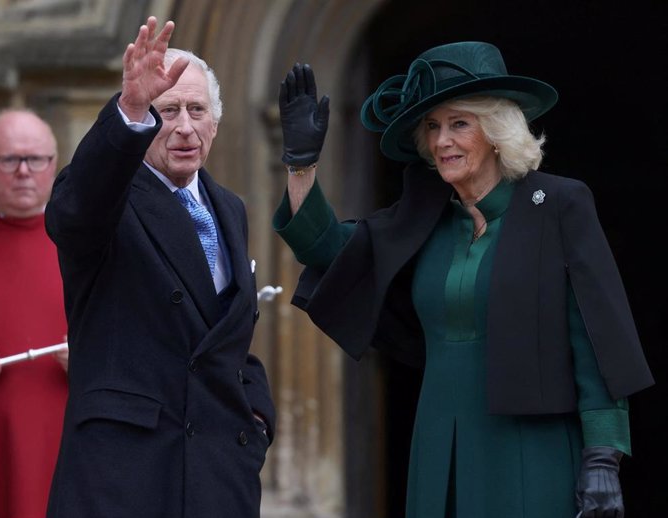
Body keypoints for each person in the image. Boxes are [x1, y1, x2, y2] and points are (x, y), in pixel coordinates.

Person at [274, 42, 654, 518]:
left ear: (496, 131)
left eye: (459, 124)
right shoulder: (424, 216)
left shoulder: (557, 204)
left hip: (529, 450)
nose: (441, 141)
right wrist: (301, 164)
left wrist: (603, 456)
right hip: (438, 447)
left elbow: (596, 333)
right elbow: (326, 249)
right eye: (432, 127)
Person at [43, 17, 275, 518]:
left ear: (216, 121)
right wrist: (128, 109)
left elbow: (224, 336)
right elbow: (74, 212)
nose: (186, 127)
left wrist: (257, 413)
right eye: (168, 110)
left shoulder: (229, 208)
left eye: (197, 110)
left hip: (216, 473)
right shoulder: (111, 195)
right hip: (129, 474)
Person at [0, 109, 69, 518]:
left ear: (54, 164)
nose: (23, 172)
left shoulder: (93, 247)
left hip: (76, 443)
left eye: (36, 159)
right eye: (8, 160)